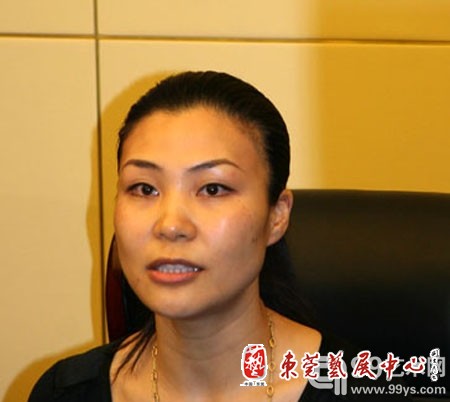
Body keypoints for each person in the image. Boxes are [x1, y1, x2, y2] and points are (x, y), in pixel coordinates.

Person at [29, 71, 410, 401]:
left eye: (212, 189)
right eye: (144, 188)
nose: (170, 225)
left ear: (277, 216)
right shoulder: (65, 392)